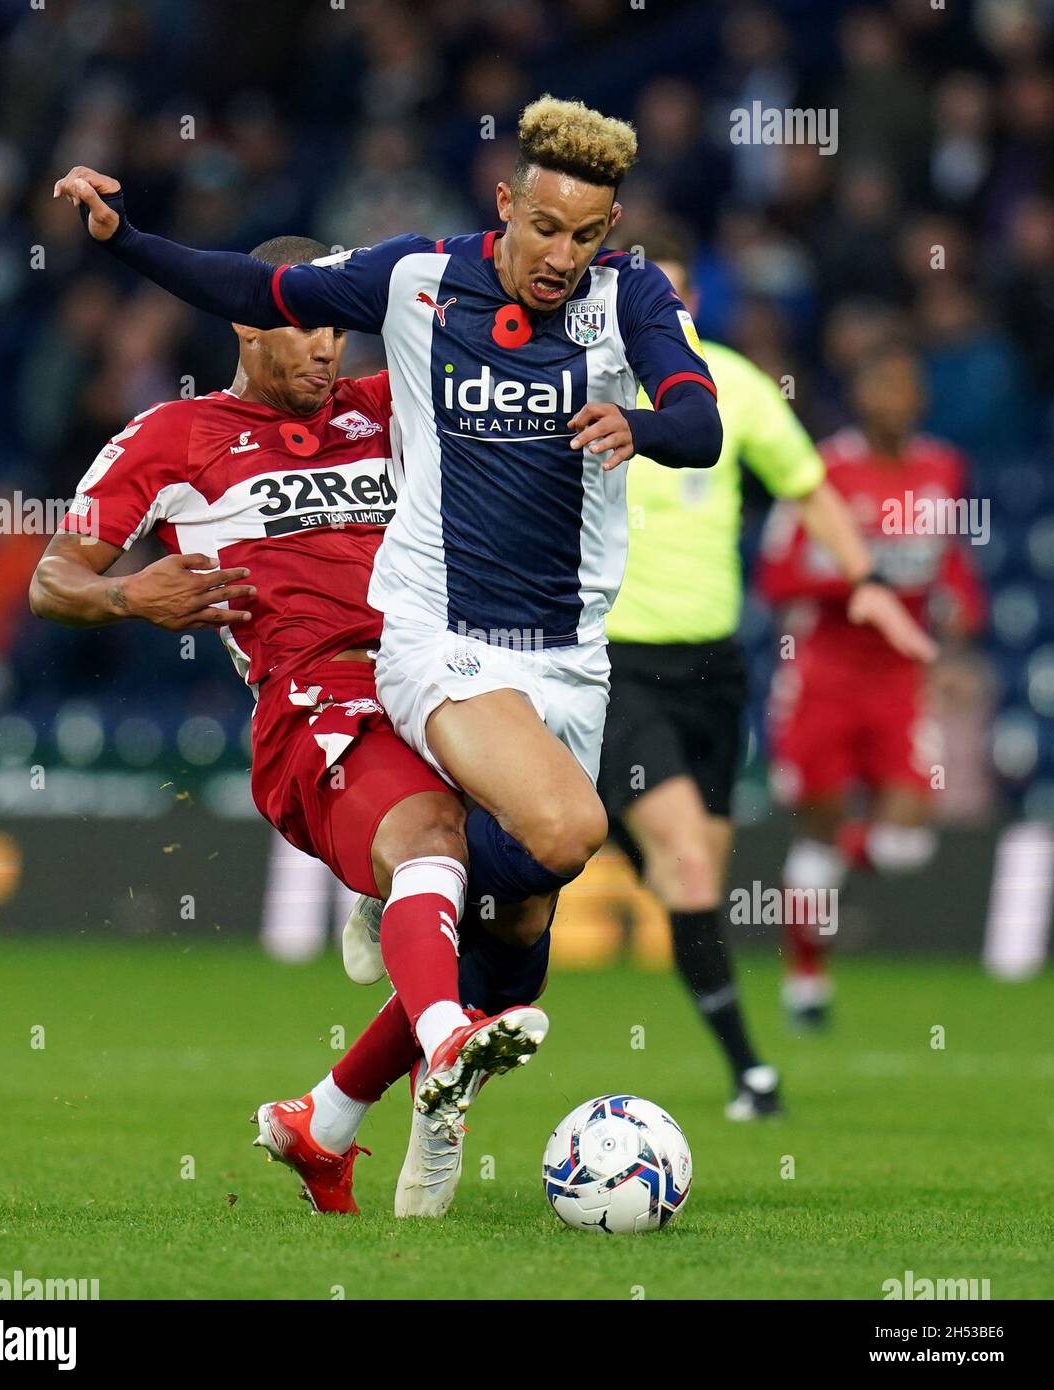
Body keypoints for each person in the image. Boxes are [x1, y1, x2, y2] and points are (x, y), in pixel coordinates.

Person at [50, 97, 724, 989]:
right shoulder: (401, 289)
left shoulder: (595, 309)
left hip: (560, 651)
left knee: (521, 916)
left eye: (586, 235)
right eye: (547, 228)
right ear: (504, 204)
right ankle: (416, 900)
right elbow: (258, 291)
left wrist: (642, 424)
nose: (563, 257)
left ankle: (372, 1089)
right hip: (402, 660)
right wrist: (123, 237)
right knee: (539, 838)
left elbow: (698, 422)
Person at [30, 235, 551, 1219]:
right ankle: (442, 1030)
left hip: (443, 681)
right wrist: (129, 596)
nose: (325, 350)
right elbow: (52, 579)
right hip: (317, 697)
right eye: (303, 326)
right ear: (243, 319)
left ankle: (329, 1114)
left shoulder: (386, 408)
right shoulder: (175, 434)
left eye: (337, 330)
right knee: (435, 846)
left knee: (522, 900)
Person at [600, 234, 937, 1112]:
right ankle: (751, 1070)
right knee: (689, 864)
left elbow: (808, 483)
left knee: (689, 874)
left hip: (713, 672)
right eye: (641, 294)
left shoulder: (735, 388)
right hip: (612, 661)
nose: (657, 313)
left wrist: (862, 579)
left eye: (670, 297)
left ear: (690, 306)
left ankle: (609, 835)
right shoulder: (581, 377)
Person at [757, 344, 985, 1026]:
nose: (895, 401)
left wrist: (960, 607)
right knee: (820, 828)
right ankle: (805, 980)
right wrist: (858, 582)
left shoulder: (941, 468)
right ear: (860, 397)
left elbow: (946, 560)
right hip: (823, 674)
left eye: (906, 388)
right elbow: (774, 576)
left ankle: (817, 878)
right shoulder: (820, 470)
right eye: (882, 387)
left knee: (906, 840)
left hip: (898, 678)